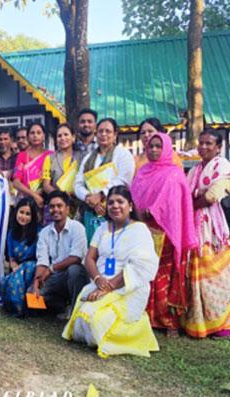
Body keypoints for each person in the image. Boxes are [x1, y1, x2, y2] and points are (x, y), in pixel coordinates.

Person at [62, 186, 160, 358]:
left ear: (130, 206)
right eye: (111, 202)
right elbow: (89, 258)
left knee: (93, 323)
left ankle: (139, 330)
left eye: (120, 202)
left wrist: (107, 288)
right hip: (101, 283)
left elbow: (139, 267)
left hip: (128, 288)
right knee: (80, 326)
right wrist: (99, 280)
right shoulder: (103, 228)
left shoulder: (139, 230)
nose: (115, 206)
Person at [131, 132, 198, 337]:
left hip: (166, 232)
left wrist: (157, 211)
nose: (153, 150)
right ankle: (146, 317)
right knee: (144, 272)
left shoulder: (174, 174)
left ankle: (169, 322)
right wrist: (139, 213)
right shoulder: (142, 173)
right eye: (151, 146)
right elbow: (133, 197)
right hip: (143, 230)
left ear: (167, 148)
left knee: (164, 277)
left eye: (158, 146)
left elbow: (176, 204)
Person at [185, 129, 230, 339]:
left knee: (216, 276)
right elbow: (185, 194)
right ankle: (200, 321)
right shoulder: (195, 170)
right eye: (201, 143)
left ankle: (223, 323)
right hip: (194, 226)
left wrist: (193, 200)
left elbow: (212, 196)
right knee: (197, 275)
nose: (203, 147)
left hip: (212, 229)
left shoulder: (223, 166)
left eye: (209, 144)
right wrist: (195, 197)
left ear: (218, 147)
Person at [74, 118, 135, 242]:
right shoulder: (88, 158)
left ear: (115, 135)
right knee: (92, 247)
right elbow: (78, 183)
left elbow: (124, 180)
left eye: (108, 131)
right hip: (91, 210)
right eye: (100, 131)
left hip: (115, 208)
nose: (104, 134)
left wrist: (101, 195)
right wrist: (88, 198)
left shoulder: (123, 155)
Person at [33, 191, 88, 319]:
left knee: (74, 270)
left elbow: (76, 257)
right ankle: (63, 306)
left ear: (67, 209)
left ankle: (76, 312)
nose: (55, 209)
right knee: (33, 293)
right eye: (52, 207)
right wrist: (37, 281)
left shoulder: (77, 228)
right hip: (55, 277)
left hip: (73, 275)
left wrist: (51, 269)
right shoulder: (45, 232)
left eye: (59, 206)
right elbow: (42, 261)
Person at [0, 198, 40, 317]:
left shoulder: (39, 233)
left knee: (23, 272)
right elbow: (11, 257)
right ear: (16, 212)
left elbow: (41, 257)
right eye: (21, 212)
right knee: (6, 281)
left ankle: (20, 309)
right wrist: (13, 264)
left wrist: (21, 268)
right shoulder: (12, 233)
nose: (24, 216)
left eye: (28, 214)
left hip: (33, 269)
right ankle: (15, 307)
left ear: (33, 216)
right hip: (17, 268)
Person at [12, 122, 54, 209]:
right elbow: (16, 182)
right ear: (28, 137)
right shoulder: (22, 156)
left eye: (39, 133)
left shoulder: (51, 155)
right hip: (26, 202)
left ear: (44, 136)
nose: (35, 136)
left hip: (46, 201)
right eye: (32, 133)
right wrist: (34, 195)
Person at [42, 123, 83, 196]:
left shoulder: (82, 157)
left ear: (73, 137)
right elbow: (46, 186)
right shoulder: (50, 158)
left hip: (78, 200)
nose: (63, 138)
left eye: (66, 134)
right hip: (57, 202)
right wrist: (61, 196)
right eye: (59, 136)